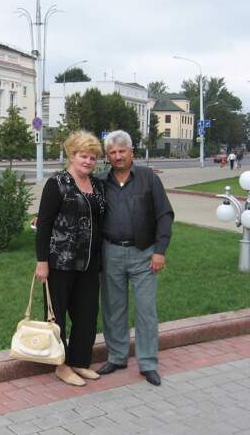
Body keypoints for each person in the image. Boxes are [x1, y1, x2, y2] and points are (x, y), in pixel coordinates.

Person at [96, 130, 174, 387]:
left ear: (132, 152)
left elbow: (164, 215)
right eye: (112, 152)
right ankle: (117, 357)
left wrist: (160, 250)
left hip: (144, 253)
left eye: (122, 151)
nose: (118, 156)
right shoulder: (100, 182)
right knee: (113, 308)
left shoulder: (148, 178)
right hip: (110, 252)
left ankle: (148, 363)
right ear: (107, 156)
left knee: (146, 309)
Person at [35, 130, 106, 386]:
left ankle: (79, 362)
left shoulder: (97, 185)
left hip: (89, 262)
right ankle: (61, 365)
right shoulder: (57, 184)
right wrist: (42, 262)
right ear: (72, 156)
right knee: (57, 315)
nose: (88, 161)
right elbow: (44, 225)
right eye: (83, 156)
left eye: (92, 157)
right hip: (60, 262)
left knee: (87, 314)